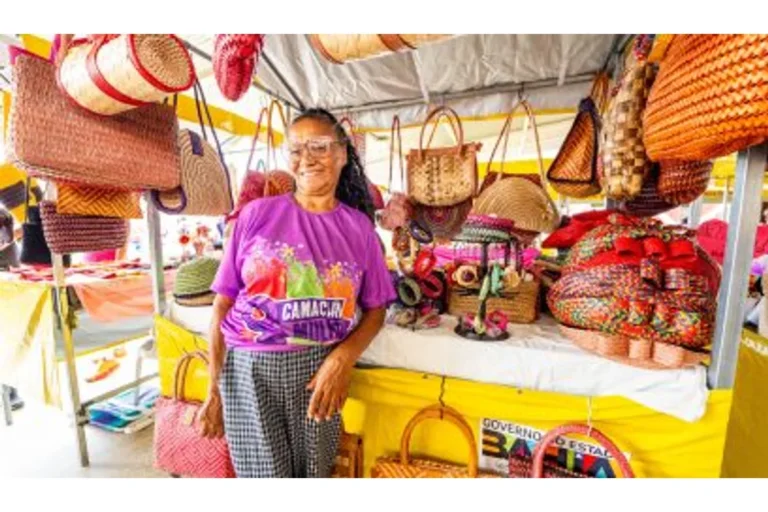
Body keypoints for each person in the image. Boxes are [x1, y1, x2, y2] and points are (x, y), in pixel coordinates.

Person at [198, 108, 396, 478]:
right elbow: (222, 303)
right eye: (295, 149)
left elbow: (376, 309)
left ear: (341, 154)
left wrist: (342, 360)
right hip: (249, 372)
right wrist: (214, 391)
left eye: (318, 146)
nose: (306, 158)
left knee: (314, 477)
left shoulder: (360, 230)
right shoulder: (255, 215)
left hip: (319, 372)